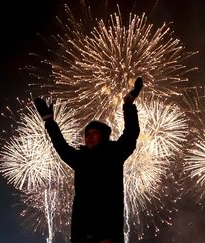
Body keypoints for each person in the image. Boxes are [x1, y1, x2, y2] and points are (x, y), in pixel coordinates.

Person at [34, 78, 143, 243]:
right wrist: (49, 122)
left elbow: (131, 133)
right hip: (82, 228)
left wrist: (128, 105)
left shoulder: (115, 153)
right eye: (87, 135)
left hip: (108, 227)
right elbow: (61, 147)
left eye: (93, 133)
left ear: (104, 135)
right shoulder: (80, 159)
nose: (89, 137)